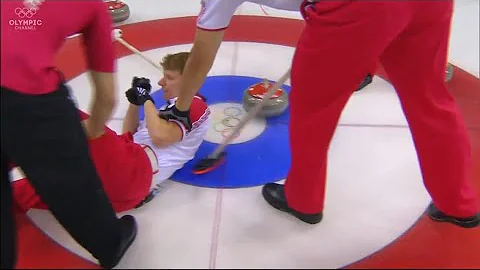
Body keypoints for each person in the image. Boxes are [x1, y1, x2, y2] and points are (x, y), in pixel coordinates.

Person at [162, 0, 480, 229]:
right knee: (429, 96)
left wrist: (181, 108)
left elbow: (202, 54)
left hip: (361, 10)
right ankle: (459, 202)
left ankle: (303, 200)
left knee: (313, 109)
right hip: (427, 5)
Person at [1, 1, 136, 268]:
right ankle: (109, 243)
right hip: (30, 99)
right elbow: (106, 96)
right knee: (71, 181)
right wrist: (86, 132)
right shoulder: (92, 6)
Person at [10, 52, 211, 214]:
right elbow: (130, 135)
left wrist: (147, 100)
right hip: (124, 183)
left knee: (67, 117)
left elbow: (161, 137)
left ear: (189, 81)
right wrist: (135, 104)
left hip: (135, 171)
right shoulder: (166, 112)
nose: (161, 82)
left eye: (169, 77)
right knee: (42, 188)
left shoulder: (195, 104)